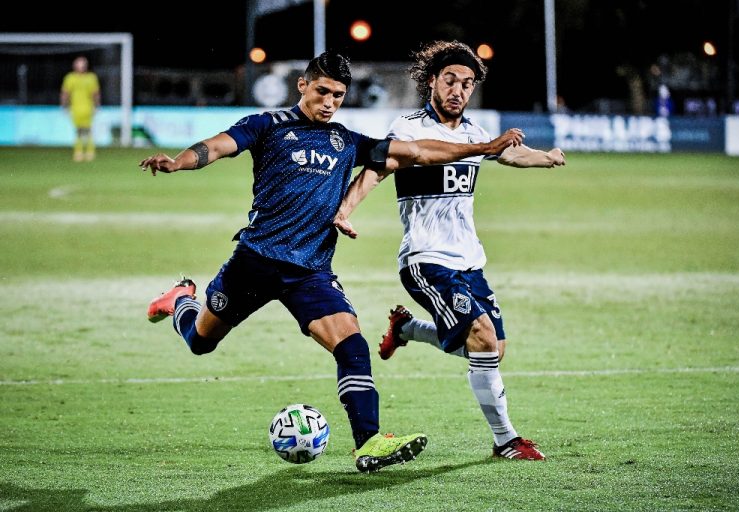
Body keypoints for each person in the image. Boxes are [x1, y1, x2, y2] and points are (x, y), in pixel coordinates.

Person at [139, 51, 524, 473]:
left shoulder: (347, 141)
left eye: (338, 95)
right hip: (255, 262)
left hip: (310, 273)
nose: (329, 102)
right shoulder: (267, 126)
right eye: (322, 91)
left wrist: (484, 148)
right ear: (303, 85)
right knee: (201, 342)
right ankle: (180, 300)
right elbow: (216, 146)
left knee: (353, 344)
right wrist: (179, 162)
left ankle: (368, 442)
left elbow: (416, 151)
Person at [333, 41, 565, 461]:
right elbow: (376, 171)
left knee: (492, 350)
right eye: (451, 81)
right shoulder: (408, 128)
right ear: (432, 82)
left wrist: (545, 157)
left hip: (469, 261)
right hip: (426, 259)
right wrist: (345, 210)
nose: (458, 90)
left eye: (467, 83)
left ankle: (407, 330)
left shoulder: (475, 133)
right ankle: (506, 440)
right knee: (482, 336)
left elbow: (511, 154)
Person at [60, 56, 100, 162]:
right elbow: (95, 94)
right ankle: (88, 152)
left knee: (80, 131)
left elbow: (65, 93)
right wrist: (97, 106)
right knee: (86, 131)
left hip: (80, 108)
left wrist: (64, 106)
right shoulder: (91, 77)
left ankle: (80, 152)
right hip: (83, 108)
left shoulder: (71, 78)